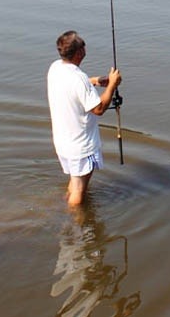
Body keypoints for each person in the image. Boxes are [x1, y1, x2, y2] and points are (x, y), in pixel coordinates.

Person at [47, 30, 122, 207]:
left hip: (63, 143)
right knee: (79, 192)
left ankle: (68, 208)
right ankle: (77, 227)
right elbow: (99, 108)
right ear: (79, 52)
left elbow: (76, 84)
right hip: (81, 147)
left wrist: (96, 81)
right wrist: (111, 85)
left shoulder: (56, 67)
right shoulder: (78, 79)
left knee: (74, 185)